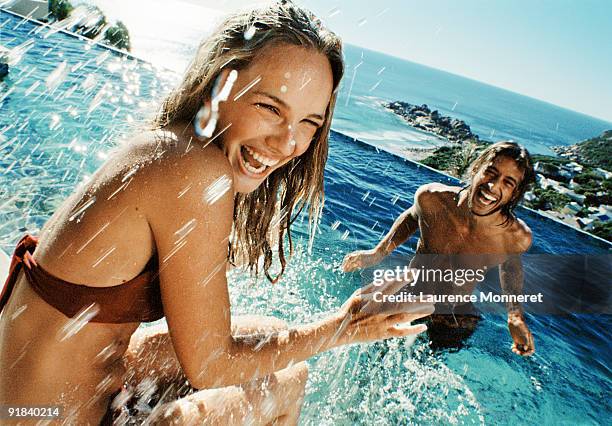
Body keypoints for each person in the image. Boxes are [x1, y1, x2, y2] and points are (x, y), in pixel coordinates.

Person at [0, 3, 435, 424]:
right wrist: (346, 326)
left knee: (272, 334)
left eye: (309, 123)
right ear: (220, 85)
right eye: (270, 108)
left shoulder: (169, 146)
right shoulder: (196, 172)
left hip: (24, 399)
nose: (288, 144)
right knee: (285, 381)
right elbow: (210, 367)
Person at [343, 141, 536, 356]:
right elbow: (413, 217)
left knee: (424, 366)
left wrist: (515, 316)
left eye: (508, 183)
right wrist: (377, 253)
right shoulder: (433, 198)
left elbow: (510, 266)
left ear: (514, 194)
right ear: (476, 168)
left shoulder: (516, 236)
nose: (493, 186)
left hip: (453, 316)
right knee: (371, 351)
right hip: (412, 296)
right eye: (490, 173)